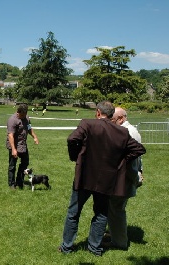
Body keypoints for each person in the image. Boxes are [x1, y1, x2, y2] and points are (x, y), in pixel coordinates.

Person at [59, 101, 146, 256]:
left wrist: (76, 156)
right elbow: (139, 149)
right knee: (101, 214)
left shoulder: (87, 124)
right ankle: (95, 248)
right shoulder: (121, 132)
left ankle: (67, 247)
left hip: (84, 177)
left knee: (74, 213)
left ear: (98, 112)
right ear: (112, 115)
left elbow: (72, 139)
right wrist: (121, 160)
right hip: (107, 179)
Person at [105, 107, 144, 250]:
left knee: (116, 210)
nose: (110, 122)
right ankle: (116, 235)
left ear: (121, 118)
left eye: (112, 120)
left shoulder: (128, 132)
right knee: (115, 209)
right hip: (127, 177)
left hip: (124, 179)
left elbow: (132, 161)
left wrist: (135, 177)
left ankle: (119, 242)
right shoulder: (131, 130)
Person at [6, 103, 39, 190]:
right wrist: (13, 149)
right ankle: (12, 184)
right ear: (18, 112)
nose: (25, 116)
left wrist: (34, 137)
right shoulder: (12, 120)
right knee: (12, 165)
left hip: (23, 145)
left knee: (25, 163)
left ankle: (19, 182)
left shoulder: (27, 118)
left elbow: (29, 128)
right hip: (14, 145)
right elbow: (10, 135)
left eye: (25, 114)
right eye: (23, 115)